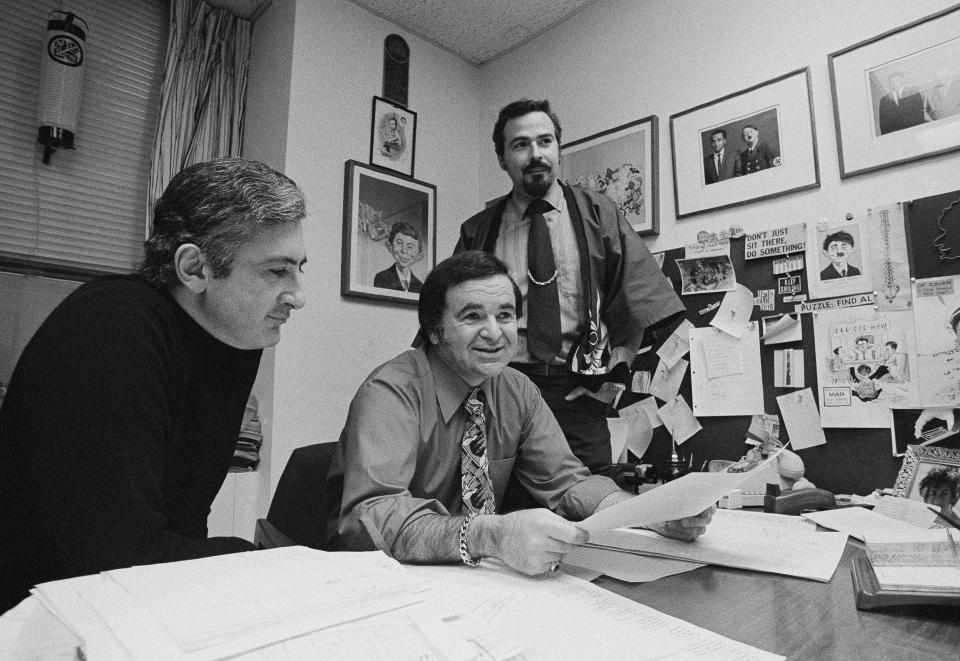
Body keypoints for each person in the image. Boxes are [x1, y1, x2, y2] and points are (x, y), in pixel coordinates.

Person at [0, 158, 307, 614]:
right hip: (34, 617)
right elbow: (112, 564)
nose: (299, 295)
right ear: (194, 269)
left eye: (300, 268)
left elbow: (183, 521)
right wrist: (270, 565)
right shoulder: (110, 329)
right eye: (276, 271)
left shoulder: (231, 339)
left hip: (129, 606)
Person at [329, 251, 713, 575]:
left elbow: (566, 483)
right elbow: (372, 518)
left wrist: (648, 512)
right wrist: (487, 535)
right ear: (433, 330)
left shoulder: (517, 389)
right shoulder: (391, 392)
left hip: (477, 583)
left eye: (506, 315)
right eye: (472, 316)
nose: (495, 333)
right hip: (379, 580)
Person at [453, 99, 684, 483]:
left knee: (587, 508)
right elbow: (450, 318)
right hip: (501, 389)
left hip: (579, 391)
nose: (535, 154)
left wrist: (617, 375)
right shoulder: (478, 231)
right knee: (501, 511)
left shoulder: (599, 213)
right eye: (520, 145)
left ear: (558, 149)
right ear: (502, 158)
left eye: (545, 141)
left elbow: (640, 298)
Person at [373, 221, 424, 293]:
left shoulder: (420, 286)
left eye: (410, 246)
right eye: (399, 243)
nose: (404, 250)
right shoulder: (382, 278)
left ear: (418, 253)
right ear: (391, 245)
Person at [877, 70, 924, 135]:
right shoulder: (884, 100)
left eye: (897, 80)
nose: (894, 83)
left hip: (914, 130)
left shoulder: (912, 91)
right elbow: (883, 122)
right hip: (896, 134)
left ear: (902, 80)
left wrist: (920, 129)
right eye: (892, 81)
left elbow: (920, 111)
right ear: (889, 83)